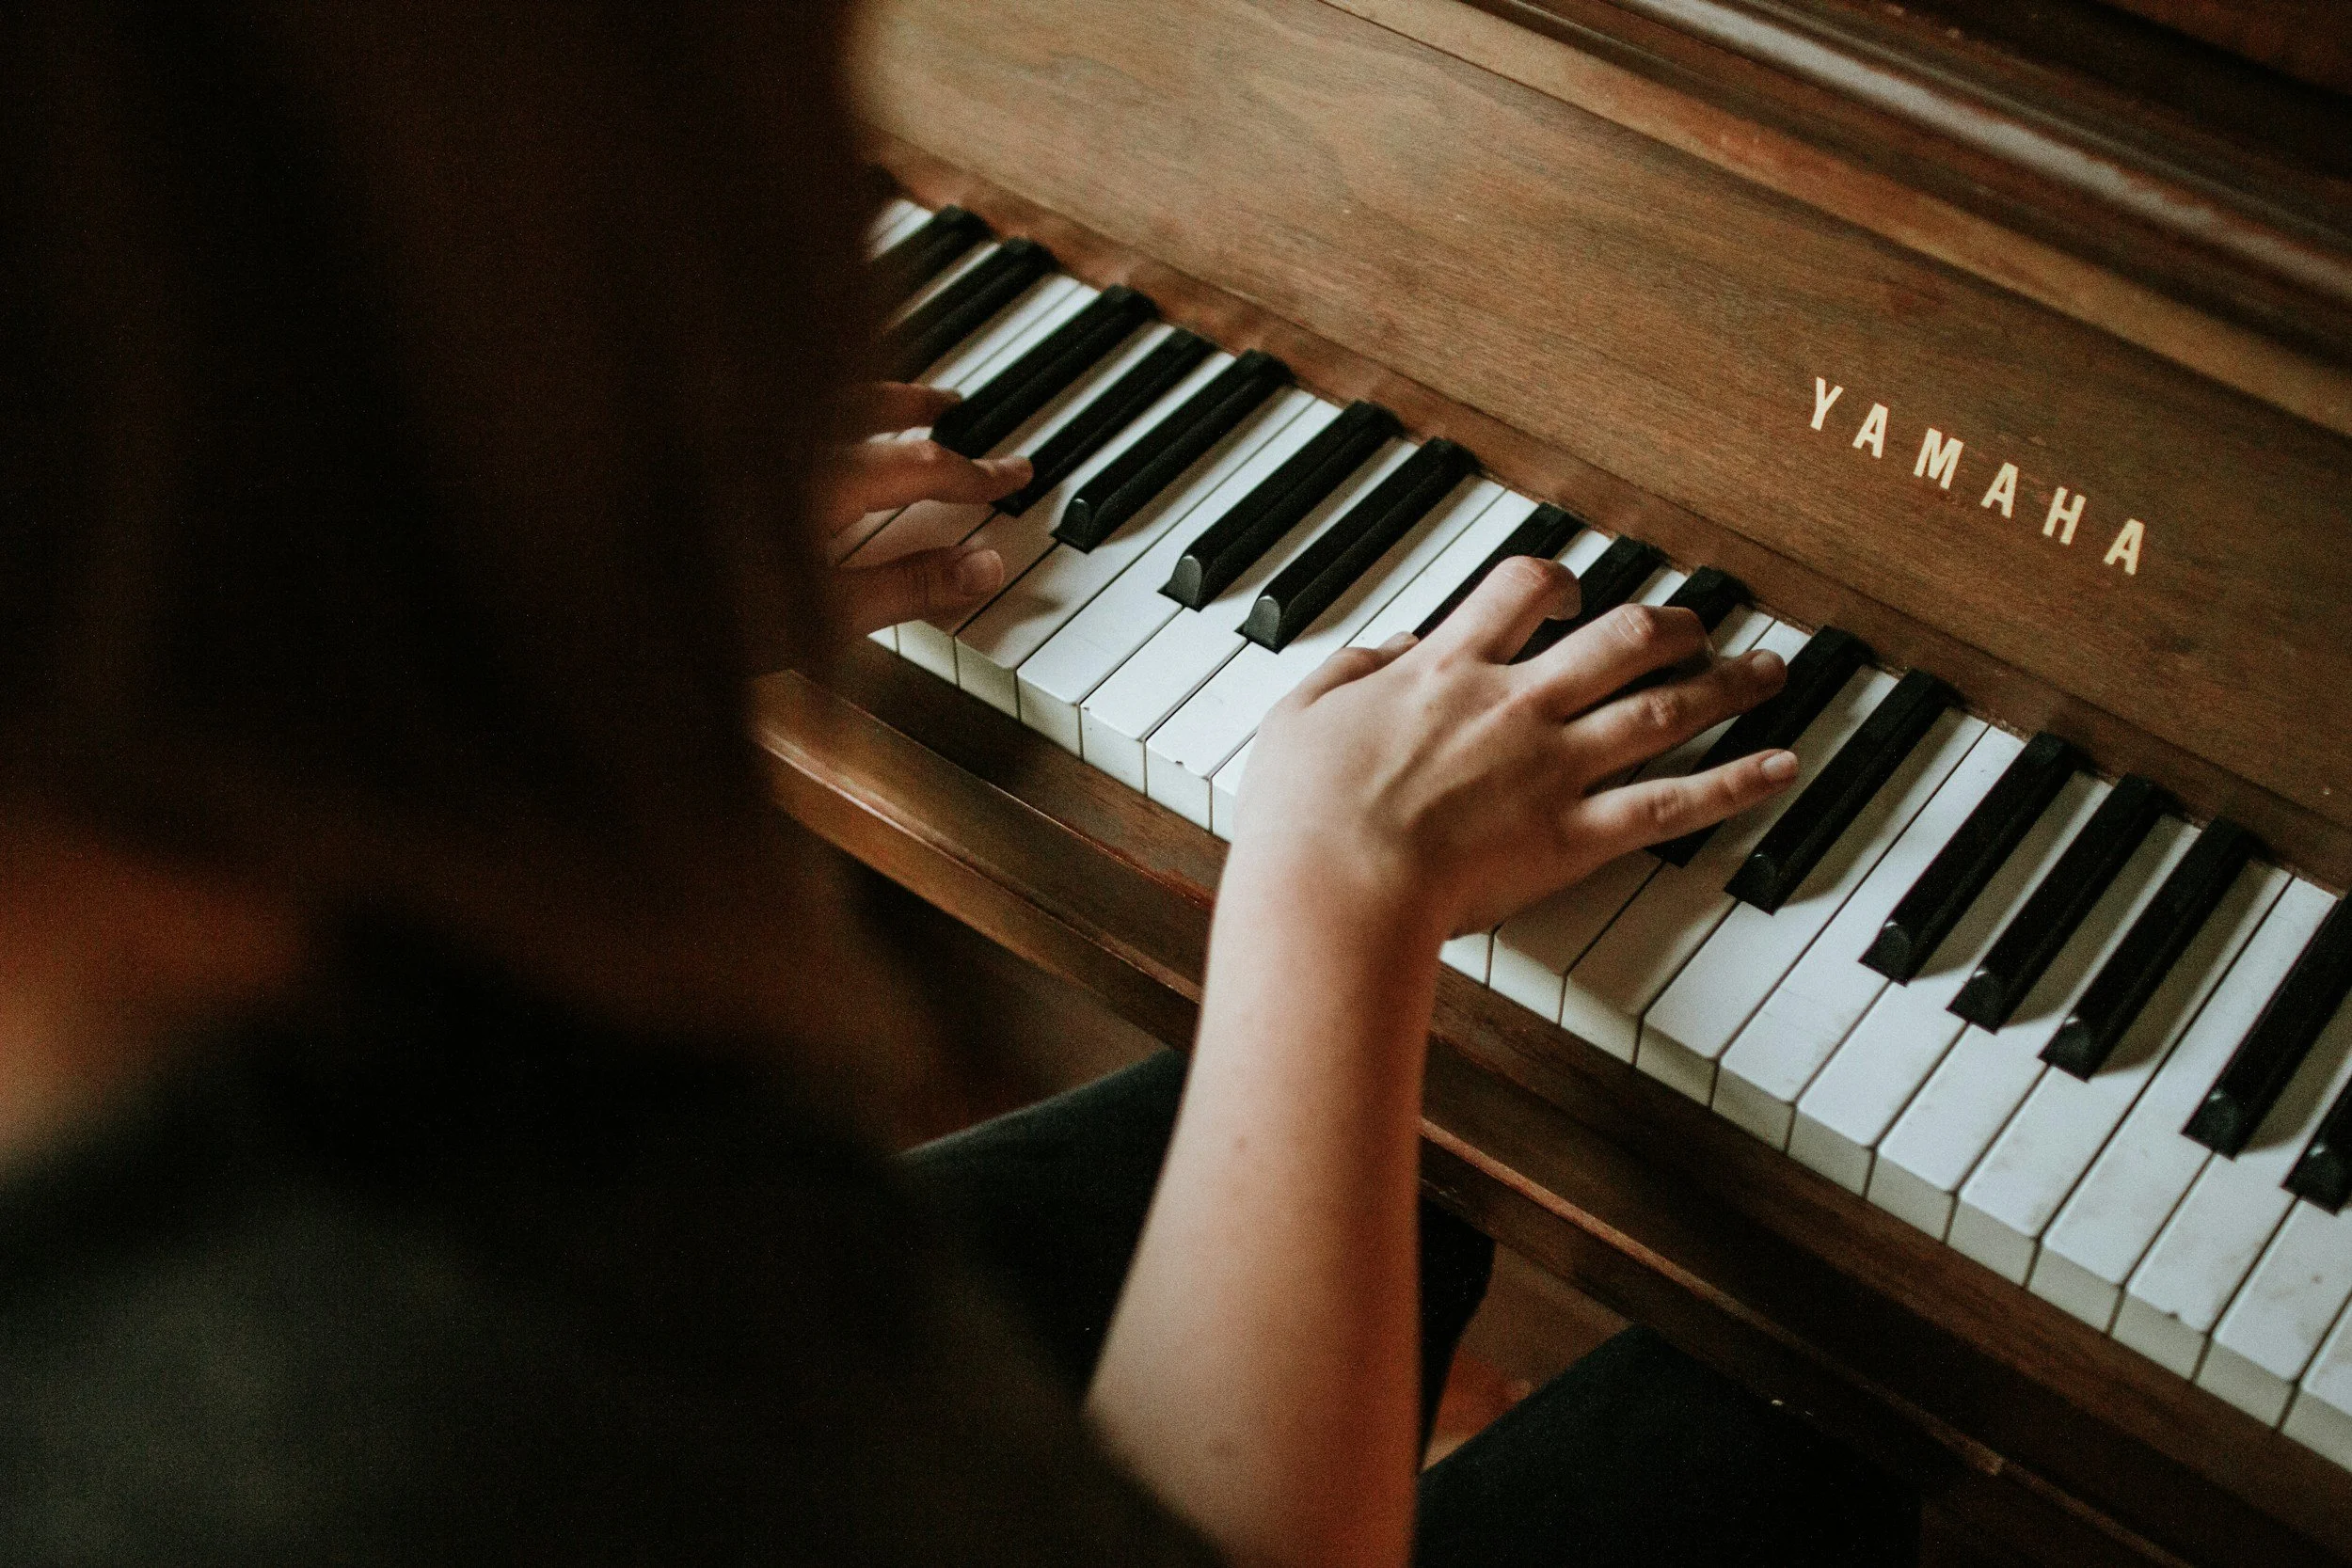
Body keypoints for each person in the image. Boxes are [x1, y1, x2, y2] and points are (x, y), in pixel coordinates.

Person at [0, 2, 1915, 1562]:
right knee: (1793, 1414)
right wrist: (1331, 899)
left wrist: (591, 618)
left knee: (1426, 1165)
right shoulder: (379, 1407)